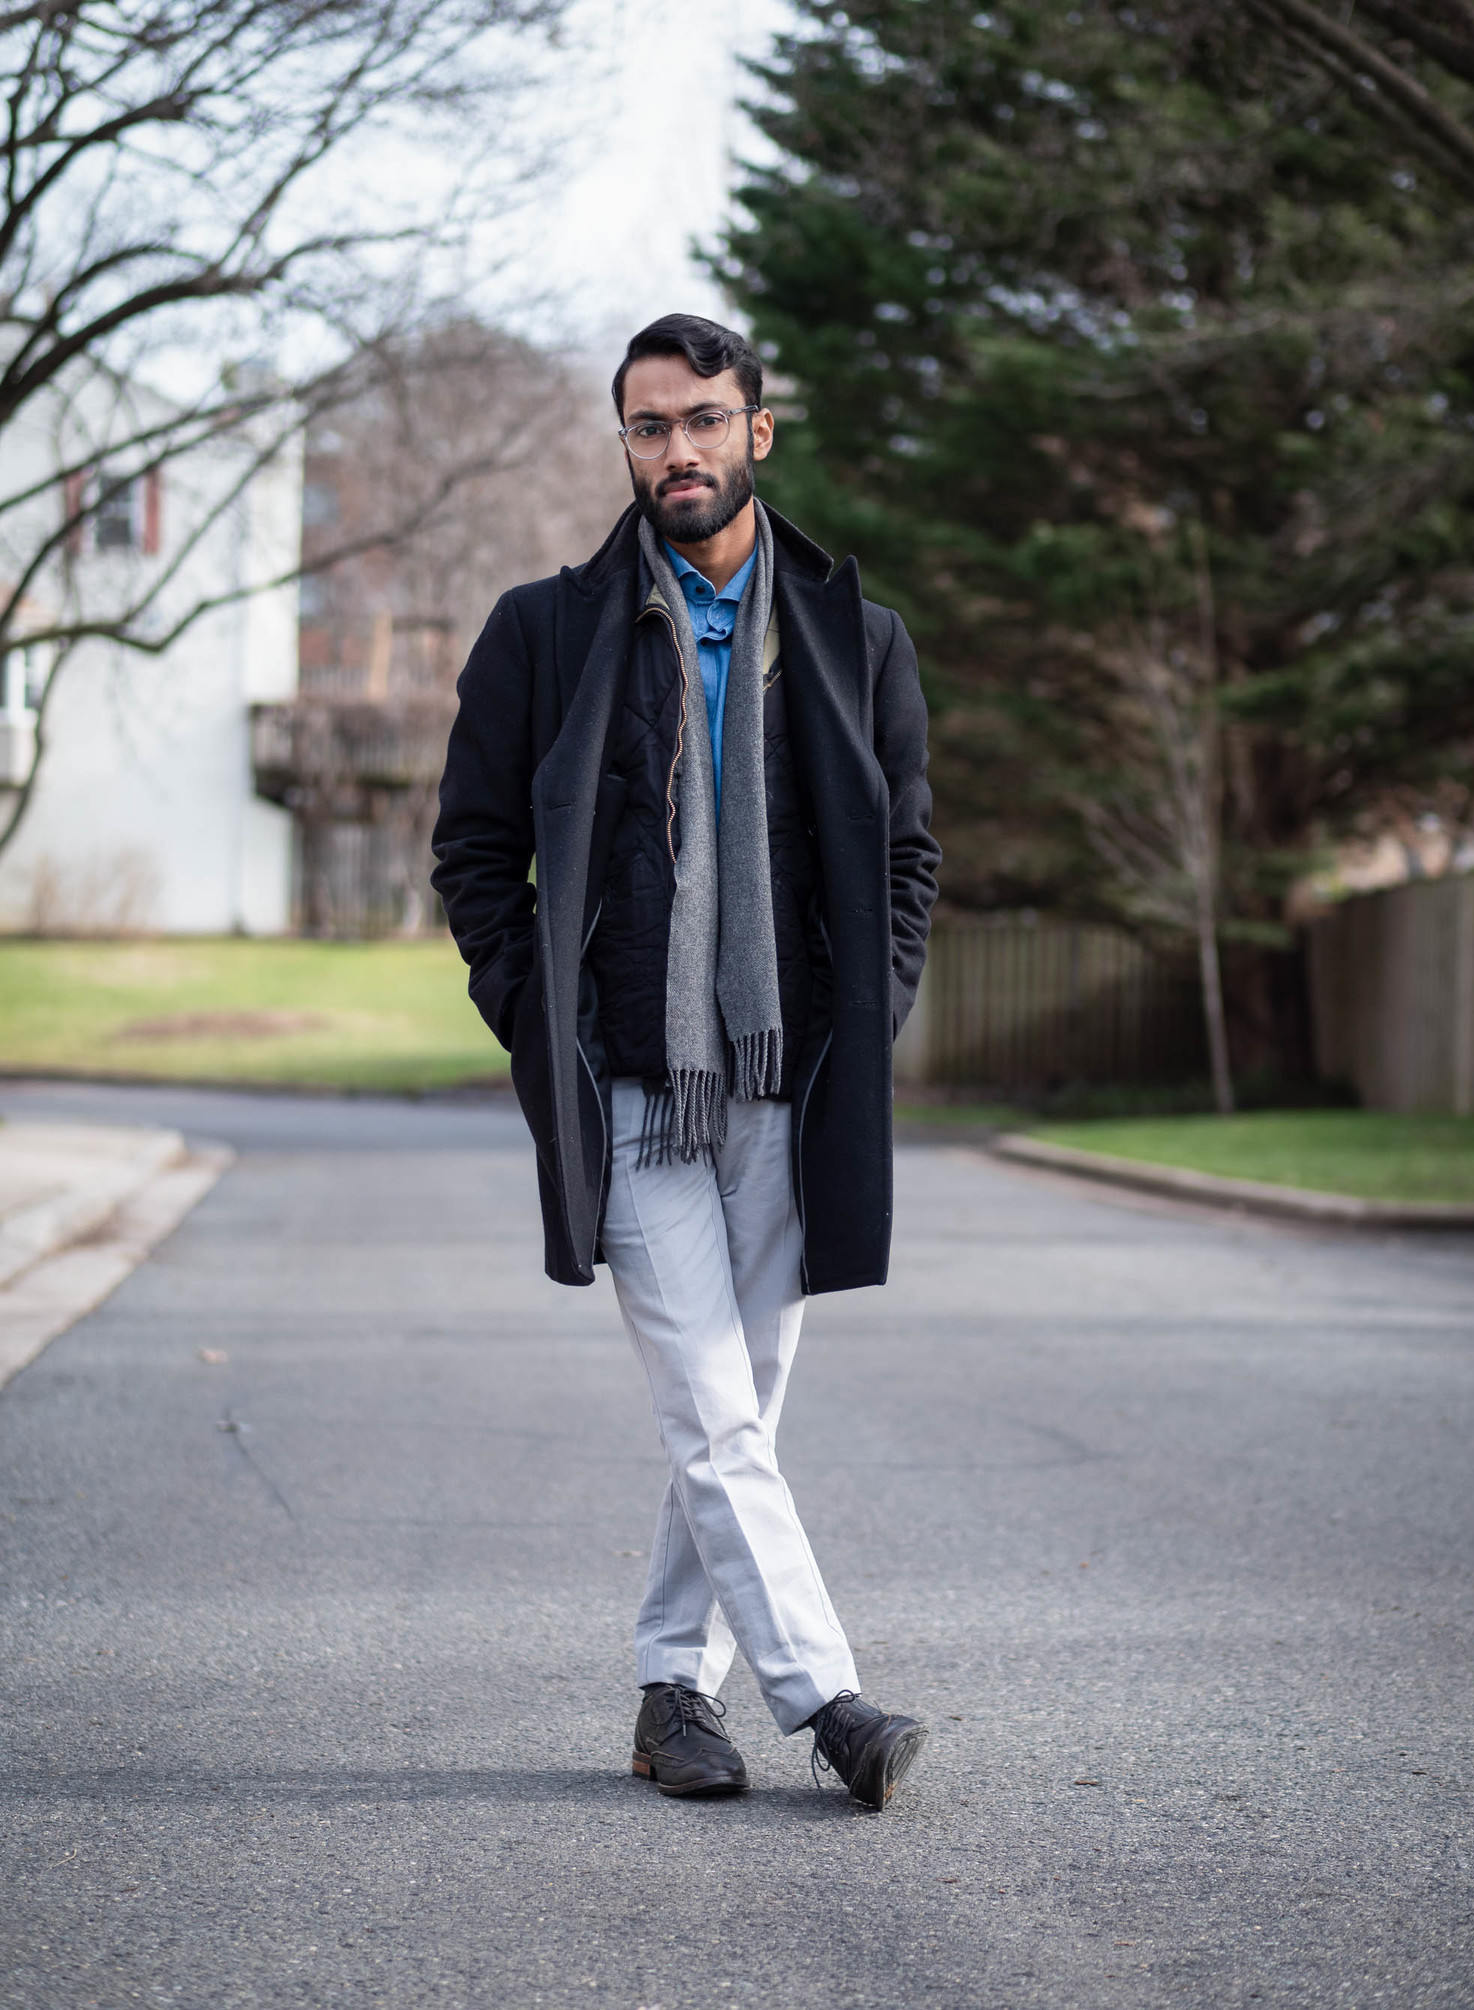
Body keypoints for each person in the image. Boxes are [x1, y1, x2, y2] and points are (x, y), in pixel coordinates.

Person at [431, 313, 941, 1812]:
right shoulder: (545, 630)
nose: (679, 451)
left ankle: (671, 1690)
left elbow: (906, 855)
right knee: (715, 1408)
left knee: (737, 1413)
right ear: (629, 446)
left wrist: (873, 1013)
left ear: (756, 432)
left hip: (790, 1079)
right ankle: (828, 1699)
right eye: (650, 427)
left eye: (704, 419)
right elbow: (476, 855)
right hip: (635, 1085)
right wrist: (549, 1032)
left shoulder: (858, 635)